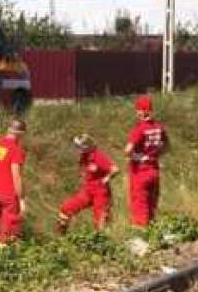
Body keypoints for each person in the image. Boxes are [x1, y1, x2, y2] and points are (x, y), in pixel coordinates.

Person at [56, 133, 118, 233]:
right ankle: (61, 238)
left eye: (79, 146)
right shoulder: (84, 157)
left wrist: (106, 179)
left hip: (101, 192)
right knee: (66, 209)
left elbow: (114, 169)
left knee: (101, 221)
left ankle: (104, 243)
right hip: (88, 191)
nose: (77, 149)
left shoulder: (98, 156)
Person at [124, 95, 168, 227]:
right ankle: (153, 233)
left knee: (139, 208)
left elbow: (127, 150)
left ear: (141, 111)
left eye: (138, 110)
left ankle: (142, 238)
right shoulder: (159, 128)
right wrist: (154, 155)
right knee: (151, 207)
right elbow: (167, 146)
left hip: (140, 172)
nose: (137, 113)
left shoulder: (139, 129)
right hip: (154, 170)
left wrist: (138, 157)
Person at [0, 118, 27, 245]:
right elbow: (16, 175)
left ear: (8, 129)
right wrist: (21, 198)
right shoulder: (16, 149)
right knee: (10, 223)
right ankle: (3, 252)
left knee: (3, 219)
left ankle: (6, 247)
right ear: (21, 133)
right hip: (9, 191)